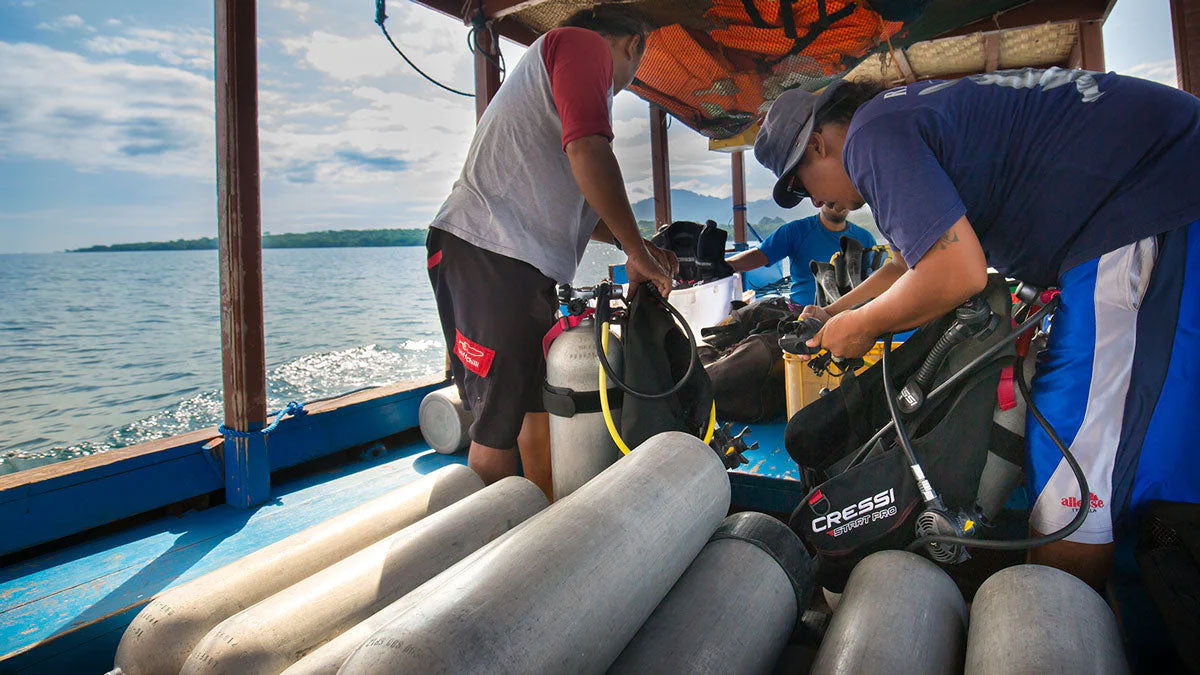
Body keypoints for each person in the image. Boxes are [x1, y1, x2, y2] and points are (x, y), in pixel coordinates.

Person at [753, 69, 1200, 589]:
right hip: (1166, 188)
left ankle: (1057, 628)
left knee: (1071, 450)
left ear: (818, 144)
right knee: (1164, 428)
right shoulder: (899, 116)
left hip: (1141, 206)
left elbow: (957, 273)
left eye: (799, 182)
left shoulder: (872, 136)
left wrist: (865, 326)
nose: (813, 201)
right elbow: (907, 263)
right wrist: (837, 314)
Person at [425, 7, 678, 500]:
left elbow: (587, 199)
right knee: (496, 421)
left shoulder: (563, 85)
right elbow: (589, 150)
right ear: (634, 45)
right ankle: (490, 552)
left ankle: (544, 525)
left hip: (520, 264)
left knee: (537, 405)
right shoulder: (580, 46)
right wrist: (635, 251)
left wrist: (639, 245)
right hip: (488, 251)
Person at [725, 204, 875, 304]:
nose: (837, 203)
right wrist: (725, 265)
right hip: (801, 315)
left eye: (842, 197)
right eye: (831, 197)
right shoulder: (795, 231)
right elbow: (759, 255)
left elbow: (876, 280)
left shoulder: (865, 238)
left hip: (849, 317)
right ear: (818, 199)